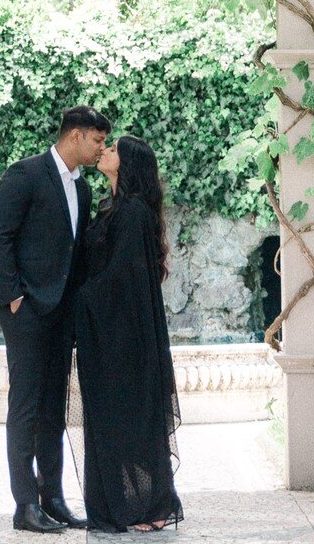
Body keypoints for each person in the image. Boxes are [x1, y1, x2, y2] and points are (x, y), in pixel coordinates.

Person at [0, 106, 111, 533]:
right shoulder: (25, 174)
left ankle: (52, 498)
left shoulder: (85, 190)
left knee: (54, 405)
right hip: (25, 308)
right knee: (26, 405)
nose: (101, 149)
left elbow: (75, 254)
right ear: (75, 136)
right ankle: (25, 506)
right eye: (96, 140)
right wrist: (15, 296)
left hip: (61, 311)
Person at [73, 137, 183, 536]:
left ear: (128, 164)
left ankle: (153, 505)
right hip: (105, 334)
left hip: (125, 337)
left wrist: (79, 300)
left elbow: (123, 276)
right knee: (108, 419)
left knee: (133, 418)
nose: (104, 151)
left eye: (113, 149)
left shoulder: (133, 212)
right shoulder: (109, 208)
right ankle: (119, 505)